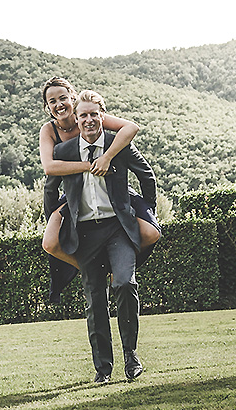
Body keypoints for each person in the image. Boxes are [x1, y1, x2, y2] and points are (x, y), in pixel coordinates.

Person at [53, 90, 160, 383]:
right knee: (94, 300)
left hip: (117, 229)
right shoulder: (64, 152)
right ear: (76, 118)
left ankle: (131, 355)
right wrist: (55, 217)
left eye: (93, 114)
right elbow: (52, 188)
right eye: (83, 115)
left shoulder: (117, 143)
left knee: (125, 283)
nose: (88, 120)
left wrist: (146, 211)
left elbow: (146, 175)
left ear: (103, 115)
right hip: (84, 234)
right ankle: (102, 368)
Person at [38, 77, 159, 303]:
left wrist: (107, 157)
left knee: (152, 232)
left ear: (73, 100)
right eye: (52, 101)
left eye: (63, 98)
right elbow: (49, 167)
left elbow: (131, 127)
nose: (59, 104)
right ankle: (90, 270)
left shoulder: (87, 115)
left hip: (109, 186)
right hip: (75, 193)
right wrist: (90, 167)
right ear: (47, 107)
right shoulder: (49, 130)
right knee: (50, 242)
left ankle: (120, 265)